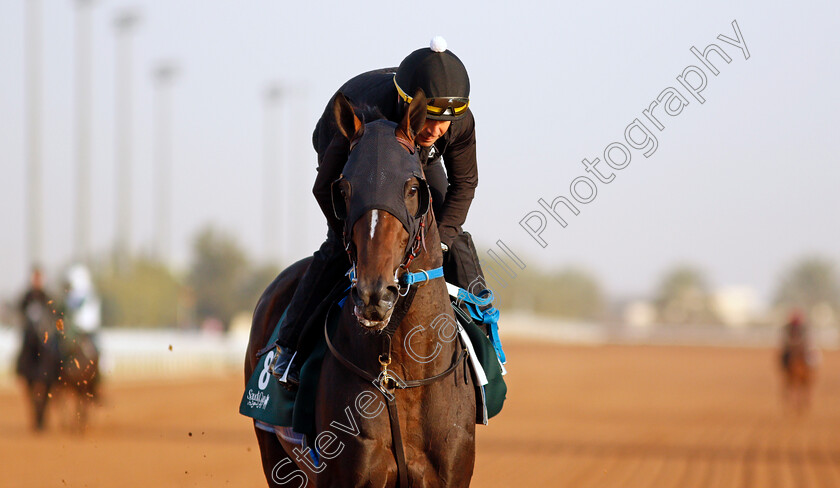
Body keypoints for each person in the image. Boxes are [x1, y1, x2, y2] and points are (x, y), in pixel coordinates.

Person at [271, 37, 491, 390]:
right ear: (411, 108)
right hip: (354, 136)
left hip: (409, 147)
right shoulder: (365, 110)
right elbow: (323, 186)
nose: (436, 131)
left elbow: (464, 186)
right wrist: (352, 237)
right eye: (430, 121)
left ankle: (483, 346)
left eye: (444, 124)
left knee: (452, 234)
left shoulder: (457, 123)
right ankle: (289, 348)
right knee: (342, 244)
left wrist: (442, 242)